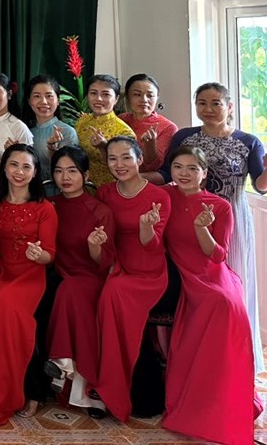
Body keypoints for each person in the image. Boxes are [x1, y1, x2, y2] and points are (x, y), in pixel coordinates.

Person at [162, 81, 267, 374]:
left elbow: (260, 186)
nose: (208, 109)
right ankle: (198, 357)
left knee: (232, 286)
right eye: (202, 103)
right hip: (187, 217)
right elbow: (166, 172)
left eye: (215, 103)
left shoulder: (249, 141)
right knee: (197, 289)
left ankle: (236, 358)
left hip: (231, 214)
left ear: (229, 107)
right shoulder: (184, 137)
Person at [161, 145, 263, 445]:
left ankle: (222, 395)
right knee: (211, 306)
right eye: (178, 167)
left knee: (225, 304)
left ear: (204, 173)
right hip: (179, 271)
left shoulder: (220, 206)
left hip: (211, 273)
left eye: (192, 168)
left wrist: (201, 229)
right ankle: (191, 396)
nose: (184, 173)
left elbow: (218, 255)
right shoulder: (164, 197)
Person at [0, 144, 57, 427]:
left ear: (35, 172)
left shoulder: (45, 209)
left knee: (6, 307)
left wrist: (39, 255)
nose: (19, 171)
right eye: (14, 165)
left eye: (26, 166)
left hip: (30, 275)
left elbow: (50, 255)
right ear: (4, 168)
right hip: (0, 271)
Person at [92, 136, 171, 422]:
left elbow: (153, 245)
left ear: (140, 159)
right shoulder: (105, 193)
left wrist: (146, 228)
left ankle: (114, 389)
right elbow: (103, 235)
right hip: (116, 262)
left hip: (148, 270)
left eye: (126, 157)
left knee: (113, 295)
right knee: (107, 296)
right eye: (113, 158)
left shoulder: (159, 196)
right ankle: (110, 386)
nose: (120, 164)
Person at [44, 146, 114, 417]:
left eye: (72, 171)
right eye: (59, 171)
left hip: (89, 276)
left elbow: (104, 263)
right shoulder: (49, 206)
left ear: (85, 175)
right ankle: (73, 380)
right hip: (60, 273)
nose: (65, 177)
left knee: (70, 291)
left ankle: (63, 365)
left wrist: (94, 246)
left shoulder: (100, 211)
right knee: (65, 290)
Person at [74, 74, 135, 187]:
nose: (99, 99)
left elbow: (125, 169)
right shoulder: (81, 122)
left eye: (106, 94)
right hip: (82, 188)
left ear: (116, 99)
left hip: (110, 189)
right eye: (93, 93)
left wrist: (104, 147)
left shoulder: (125, 132)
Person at [120, 74, 177, 180]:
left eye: (150, 95)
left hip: (148, 181)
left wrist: (150, 145)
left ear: (157, 98)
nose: (144, 100)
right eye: (137, 94)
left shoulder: (167, 127)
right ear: (127, 97)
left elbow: (154, 168)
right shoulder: (121, 120)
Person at [25, 76, 78, 183]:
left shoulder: (67, 132)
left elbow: (68, 169)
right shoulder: (25, 130)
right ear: (29, 101)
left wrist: (52, 149)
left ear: (58, 100)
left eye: (49, 96)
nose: (44, 102)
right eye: (37, 96)